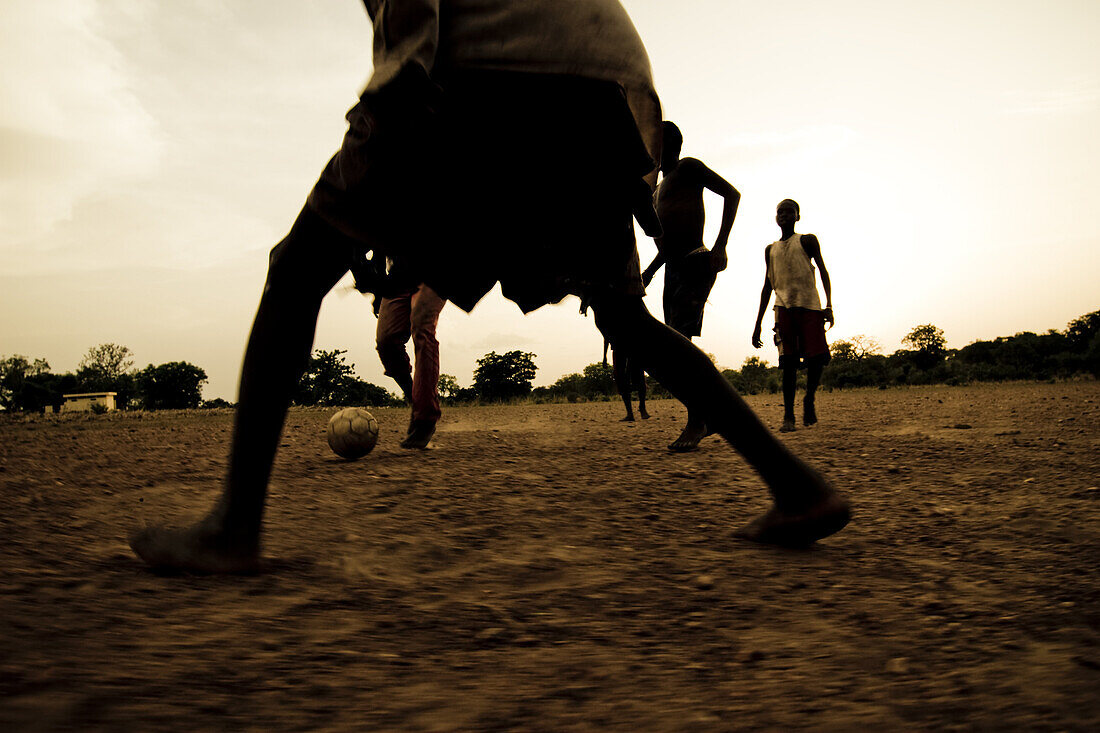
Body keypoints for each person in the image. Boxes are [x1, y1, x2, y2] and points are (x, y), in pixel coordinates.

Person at [129, 0, 850, 574]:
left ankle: (234, 525)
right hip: (611, 85)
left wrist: (381, 170)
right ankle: (796, 486)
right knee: (624, 317)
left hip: (505, 73)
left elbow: (411, 40)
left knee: (299, 267)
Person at [642, 121, 740, 451]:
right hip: (673, 268)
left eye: (653, 142)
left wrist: (720, 246)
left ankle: (699, 419)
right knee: (671, 346)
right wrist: (651, 271)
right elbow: (664, 244)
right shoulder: (656, 189)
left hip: (697, 259)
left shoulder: (688, 168)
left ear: (669, 145)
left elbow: (732, 194)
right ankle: (706, 414)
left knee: (682, 340)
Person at [752, 199, 834, 432]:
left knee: (817, 358)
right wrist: (757, 323)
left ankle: (809, 398)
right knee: (788, 363)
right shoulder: (770, 249)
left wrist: (828, 305)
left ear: (798, 216)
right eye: (781, 212)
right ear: (775, 218)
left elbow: (823, 271)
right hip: (783, 309)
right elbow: (767, 286)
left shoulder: (807, 240)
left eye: (790, 212)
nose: (785, 215)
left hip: (809, 306)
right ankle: (788, 415)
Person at [354, 254, 446, 449]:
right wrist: (378, 286)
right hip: (398, 276)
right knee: (386, 341)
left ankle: (425, 418)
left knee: (422, 328)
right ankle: (415, 400)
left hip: (434, 271)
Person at [603, 338, 649, 421]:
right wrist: (604, 356)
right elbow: (606, 337)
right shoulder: (610, 325)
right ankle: (630, 413)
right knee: (622, 381)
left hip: (633, 349)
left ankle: (642, 407)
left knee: (639, 379)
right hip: (618, 350)